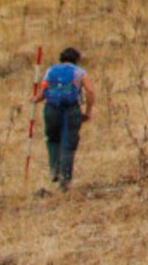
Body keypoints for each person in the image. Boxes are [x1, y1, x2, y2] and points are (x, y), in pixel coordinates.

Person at [31, 47, 96, 191]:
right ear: (76, 60)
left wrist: (35, 99)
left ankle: (55, 171)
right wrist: (88, 111)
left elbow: (43, 93)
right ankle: (65, 179)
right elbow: (90, 91)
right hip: (71, 110)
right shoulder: (79, 72)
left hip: (51, 109)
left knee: (53, 140)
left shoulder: (51, 71)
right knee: (68, 143)